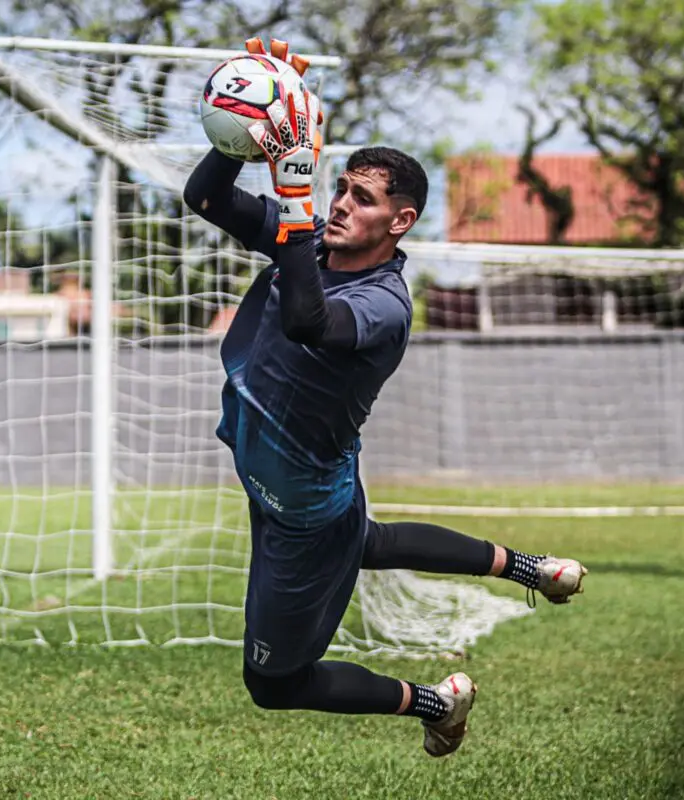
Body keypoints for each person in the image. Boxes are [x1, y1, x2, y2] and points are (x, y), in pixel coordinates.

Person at [182, 37, 588, 757]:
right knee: (365, 543)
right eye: (338, 189)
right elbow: (205, 197)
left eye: (360, 200)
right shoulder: (300, 241)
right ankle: (534, 569)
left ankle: (436, 704)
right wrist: (251, 125)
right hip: (299, 480)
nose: (338, 205)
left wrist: (296, 194)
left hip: (300, 505)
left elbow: (310, 322)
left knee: (274, 684)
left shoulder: (385, 302)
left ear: (398, 222)